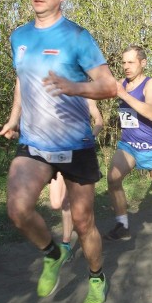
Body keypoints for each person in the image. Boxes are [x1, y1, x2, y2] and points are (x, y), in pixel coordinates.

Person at [0, 0, 116, 303]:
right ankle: (52, 253)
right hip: (34, 142)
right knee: (18, 211)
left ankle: (96, 274)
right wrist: (13, 118)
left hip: (76, 143)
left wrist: (75, 87)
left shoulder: (78, 37)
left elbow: (109, 87)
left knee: (82, 222)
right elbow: (23, 80)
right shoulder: (19, 36)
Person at [105, 45, 152, 243]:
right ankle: (123, 226)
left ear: (143, 63)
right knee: (113, 178)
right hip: (128, 146)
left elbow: (151, 112)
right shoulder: (121, 83)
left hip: (151, 149)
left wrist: (123, 95)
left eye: (131, 62)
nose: (126, 66)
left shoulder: (150, 85)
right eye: (123, 62)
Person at [48, 98, 104, 259]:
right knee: (56, 202)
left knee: (72, 205)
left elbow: (98, 120)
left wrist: (92, 136)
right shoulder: (57, 95)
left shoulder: (87, 95)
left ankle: (67, 244)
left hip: (80, 154)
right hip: (59, 153)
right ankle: (78, 232)